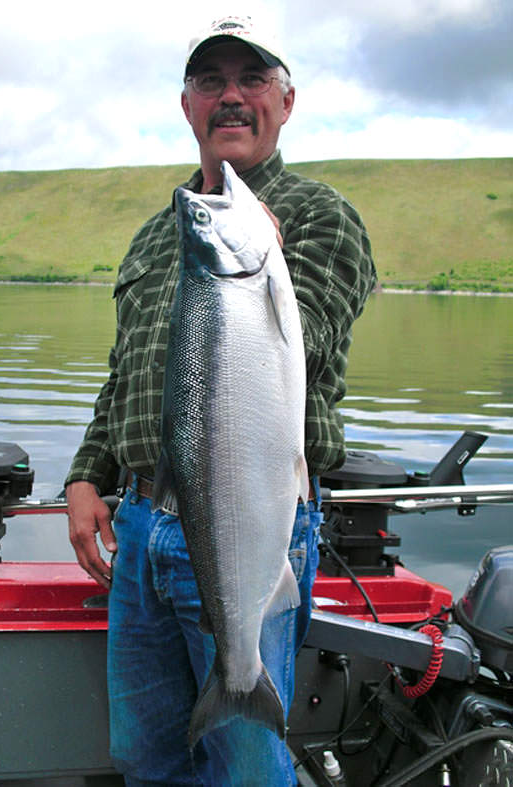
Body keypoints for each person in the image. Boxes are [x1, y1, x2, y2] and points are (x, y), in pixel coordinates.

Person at [65, 15, 376, 787]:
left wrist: (259, 257)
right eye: (211, 81)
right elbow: (125, 374)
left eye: (252, 79)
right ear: (187, 105)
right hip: (140, 528)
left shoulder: (318, 217)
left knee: (242, 766)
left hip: (256, 521)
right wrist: (84, 474)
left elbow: (295, 346)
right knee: (145, 755)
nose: (231, 97)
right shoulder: (158, 232)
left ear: (286, 100)